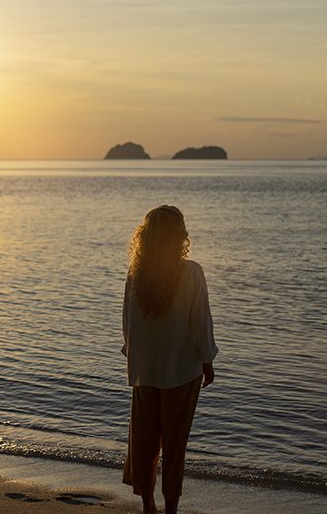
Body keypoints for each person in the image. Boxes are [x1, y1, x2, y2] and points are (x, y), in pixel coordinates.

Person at [121, 205, 218, 514]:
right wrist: (207, 359)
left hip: (145, 370)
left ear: (146, 236)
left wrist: (134, 356)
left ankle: (148, 504)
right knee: (174, 448)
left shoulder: (136, 275)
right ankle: (170, 509)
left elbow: (128, 324)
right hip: (181, 371)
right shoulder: (191, 272)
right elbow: (200, 320)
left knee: (145, 442)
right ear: (180, 236)